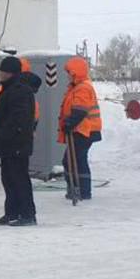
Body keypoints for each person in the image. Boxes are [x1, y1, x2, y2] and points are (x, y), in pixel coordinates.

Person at [0, 56, 37, 226]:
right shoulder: (8, 88)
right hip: (8, 144)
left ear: (10, 72)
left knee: (19, 179)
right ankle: (11, 213)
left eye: (3, 70)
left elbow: (19, 118)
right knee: (9, 179)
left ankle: (27, 214)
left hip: (17, 143)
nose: (0, 73)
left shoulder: (20, 90)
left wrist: (4, 133)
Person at [57, 57, 103, 201]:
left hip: (84, 131)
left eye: (69, 72)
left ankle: (80, 190)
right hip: (82, 130)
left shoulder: (82, 88)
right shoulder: (77, 87)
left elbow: (80, 110)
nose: (68, 75)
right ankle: (78, 188)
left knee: (74, 160)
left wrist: (69, 123)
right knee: (76, 160)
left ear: (76, 72)